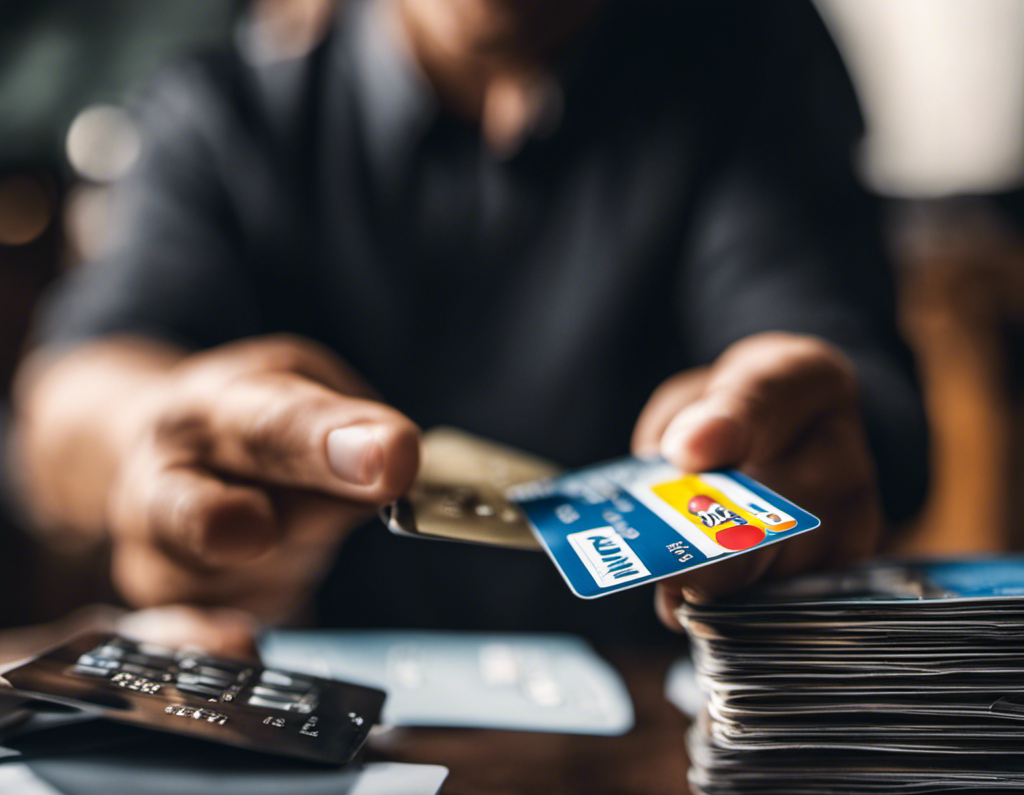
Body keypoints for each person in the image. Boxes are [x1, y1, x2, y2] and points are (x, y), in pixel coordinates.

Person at [12, 0, 928, 641]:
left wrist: (812, 435)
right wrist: (155, 438)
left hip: (680, 717)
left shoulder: (754, 53)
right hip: (340, 713)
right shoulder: (221, 95)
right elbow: (72, 389)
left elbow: (853, 383)